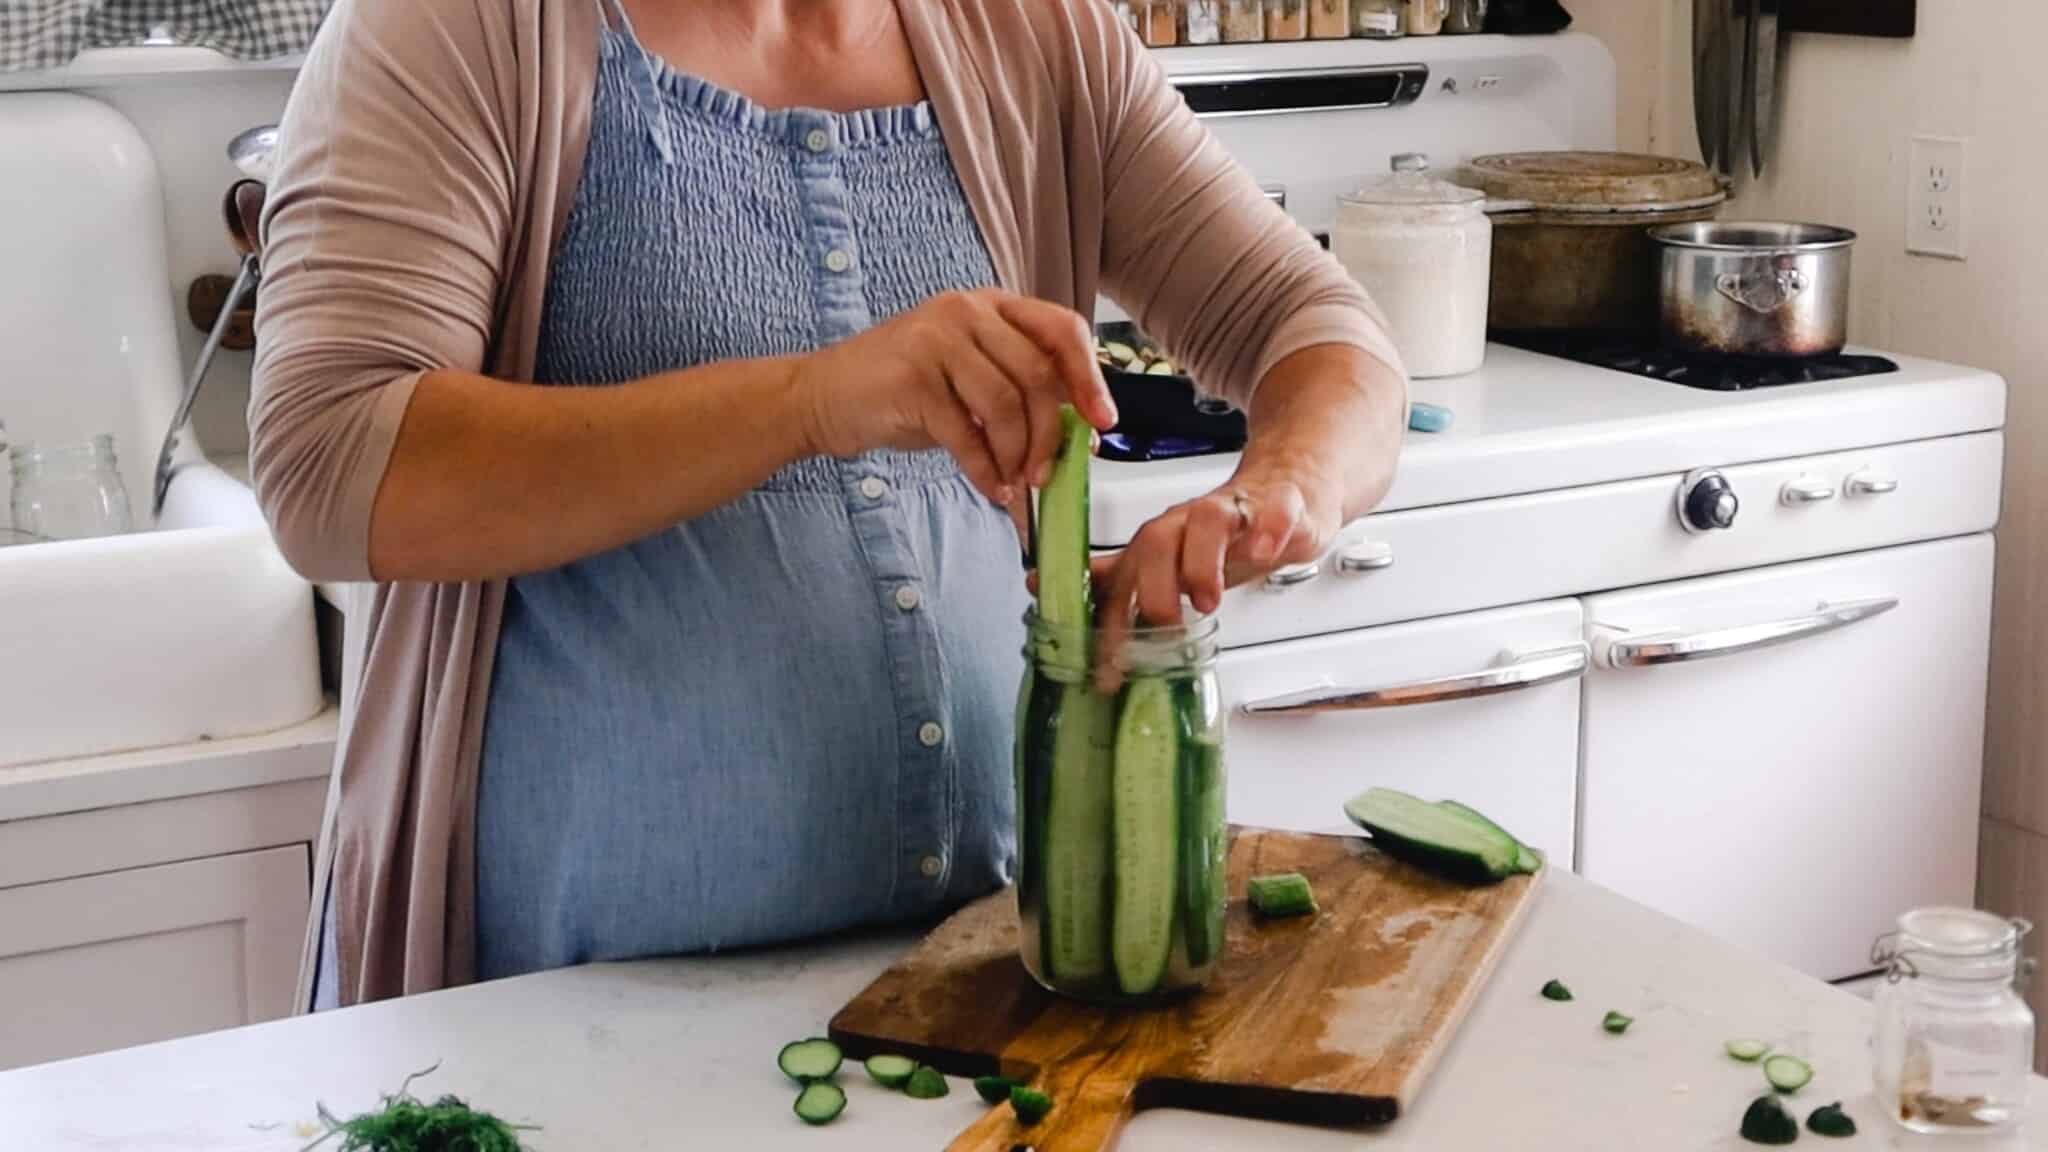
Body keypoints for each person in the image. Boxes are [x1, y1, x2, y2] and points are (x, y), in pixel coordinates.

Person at [251, 0, 1407, 1009]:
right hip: (566, 1011)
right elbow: (332, 463)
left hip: (975, 983)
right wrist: (811, 400)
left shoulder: (1035, 30)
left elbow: (1323, 335)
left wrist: (1281, 489)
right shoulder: (460, 26)